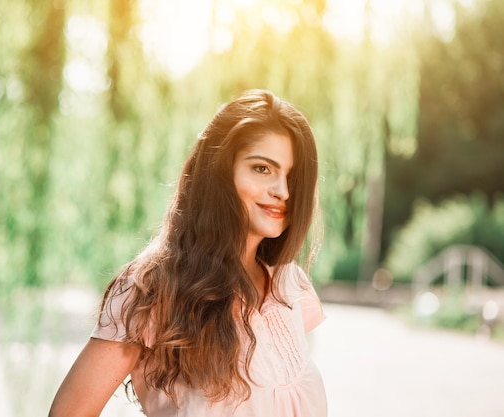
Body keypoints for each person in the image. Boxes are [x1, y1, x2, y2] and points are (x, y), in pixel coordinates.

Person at [49, 89, 326, 417]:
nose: (282, 191)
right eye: (262, 169)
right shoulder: (152, 289)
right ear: (220, 171)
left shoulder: (289, 286)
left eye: (292, 177)